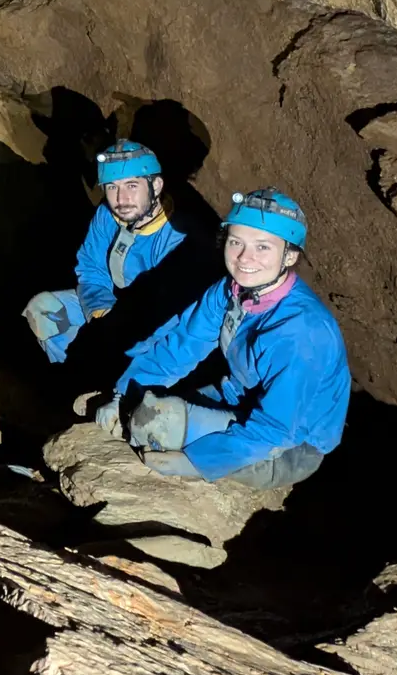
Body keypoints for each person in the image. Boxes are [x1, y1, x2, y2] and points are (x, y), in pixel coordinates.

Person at [88, 188, 349, 489]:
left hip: (292, 445)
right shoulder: (232, 291)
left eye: (262, 247)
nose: (244, 258)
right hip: (239, 397)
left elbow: (276, 427)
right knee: (140, 405)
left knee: (154, 421)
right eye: (236, 242)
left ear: (289, 255)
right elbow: (181, 345)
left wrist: (198, 462)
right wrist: (124, 392)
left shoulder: (302, 332)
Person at [24, 140, 187, 363]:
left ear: (156, 186)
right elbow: (91, 268)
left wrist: (116, 330)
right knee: (43, 310)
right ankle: (74, 375)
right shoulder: (108, 215)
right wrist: (101, 312)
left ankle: (112, 381)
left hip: (153, 327)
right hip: (110, 305)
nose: (121, 199)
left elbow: (168, 312)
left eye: (131, 185)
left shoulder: (176, 236)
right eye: (112, 187)